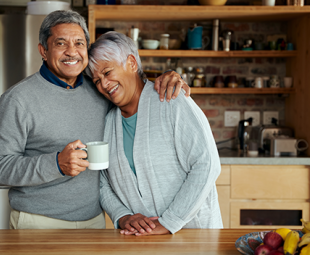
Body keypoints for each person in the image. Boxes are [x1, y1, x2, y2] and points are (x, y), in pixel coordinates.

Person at [0, 10, 190, 230]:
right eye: (61, 44)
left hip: (93, 222)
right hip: (38, 222)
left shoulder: (100, 89)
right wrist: (55, 164)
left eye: (79, 43)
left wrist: (171, 81)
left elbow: (131, 85)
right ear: (43, 51)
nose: (71, 52)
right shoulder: (18, 99)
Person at [85, 31, 223, 236]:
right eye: (97, 81)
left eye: (107, 73)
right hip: (141, 245)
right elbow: (102, 181)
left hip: (194, 239)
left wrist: (169, 222)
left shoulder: (172, 100)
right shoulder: (106, 123)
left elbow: (207, 165)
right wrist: (122, 216)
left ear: (131, 63)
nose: (103, 85)